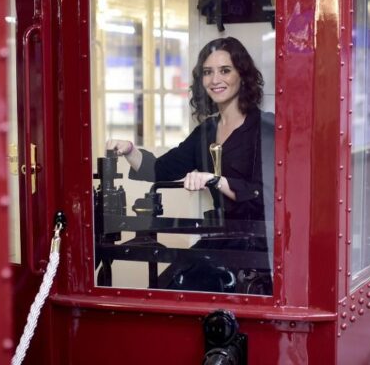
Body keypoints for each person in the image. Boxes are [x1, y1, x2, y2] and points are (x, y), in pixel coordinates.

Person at [106, 37, 272, 294]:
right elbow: (159, 170)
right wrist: (130, 150)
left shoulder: (265, 128)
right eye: (208, 72)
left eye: (225, 70)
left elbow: (267, 195)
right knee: (167, 288)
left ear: (243, 75)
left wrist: (216, 180)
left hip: (261, 250)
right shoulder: (205, 132)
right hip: (221, 240)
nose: (215, 80)